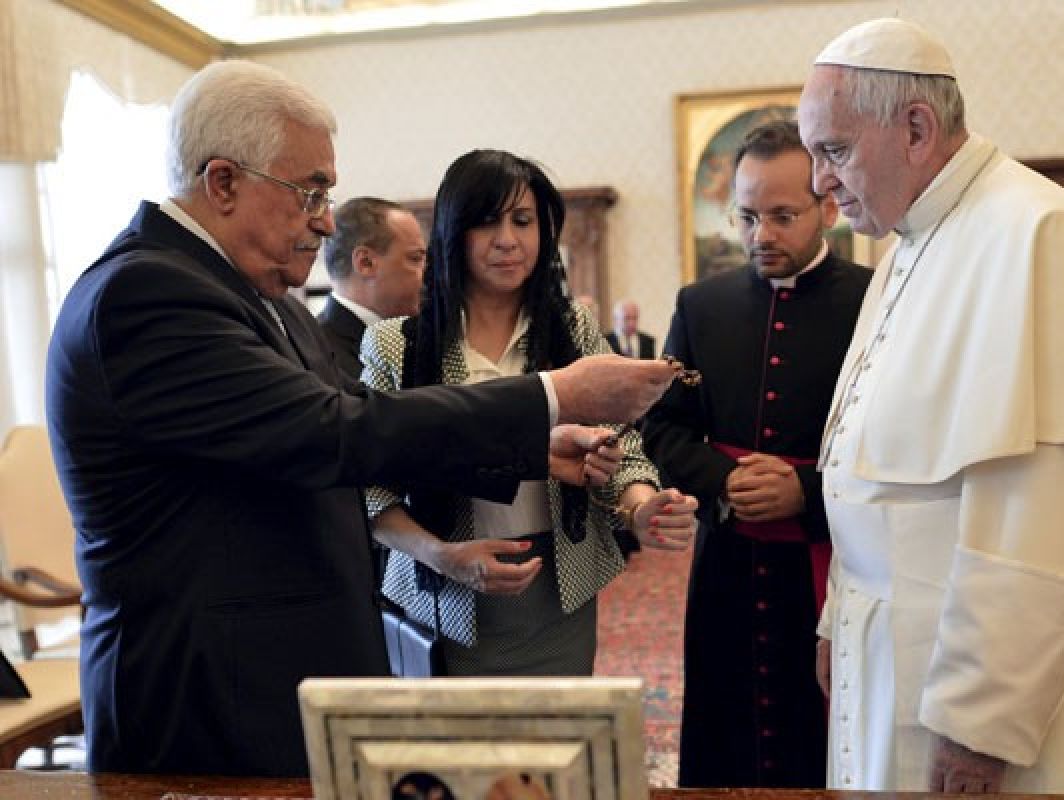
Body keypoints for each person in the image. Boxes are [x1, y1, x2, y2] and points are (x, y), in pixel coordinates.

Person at [44, 60, 676, 777]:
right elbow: (332, 431)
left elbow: (359, 421)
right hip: (211, 694)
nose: (324, 219)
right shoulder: (147, 292)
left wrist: (537, 446)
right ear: (222, 182)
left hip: (278, 677)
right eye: (309, 190)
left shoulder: (264, 298)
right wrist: (550, 396)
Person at [797, 18, 1064, 794]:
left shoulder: (1041, 234)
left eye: (835, 151)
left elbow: (1055, 514)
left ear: (915, 128)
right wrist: (838, 615)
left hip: (1009, 685)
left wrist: (982, 723)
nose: (820, 182)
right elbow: (868, 463)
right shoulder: (908, 243)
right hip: (895, 643)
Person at [361, 149, 698, 676]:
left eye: (523, 221)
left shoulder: (574, 330)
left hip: (557, 586)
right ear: (453, 232)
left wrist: (640, 503)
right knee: (459, 755)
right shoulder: (397, 346)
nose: (507, 240)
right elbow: (369, 488)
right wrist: (441, 555)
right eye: (486, 221)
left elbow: (620, 443)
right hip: (441, 590)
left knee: (554, 748)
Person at [642, 121, 871, 788]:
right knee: (727, 728)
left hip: (833, 564)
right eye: (745, 216)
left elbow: (897, 444)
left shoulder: (873, 301)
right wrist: (727, 480)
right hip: (728, 565)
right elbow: (665, 430)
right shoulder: (701, 306)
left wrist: (805, 488)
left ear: (828, 205)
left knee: (826, 734)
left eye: (781, 216)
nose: (760, 235)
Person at [318, 197, 427, 381]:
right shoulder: (315, 352)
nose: (428, 273)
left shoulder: (418, 337)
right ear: (365, 263)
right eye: (415, 259)